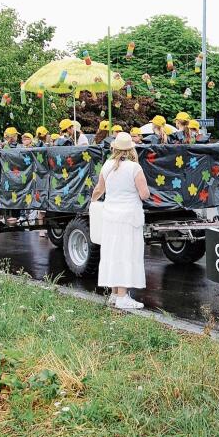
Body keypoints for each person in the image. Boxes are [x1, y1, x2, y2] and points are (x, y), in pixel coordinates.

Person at [91, 132, 150, 310]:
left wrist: (93, 203)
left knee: (113, 253)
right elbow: (144, 194)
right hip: (129, 218)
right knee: (126, 254)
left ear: (114, 148)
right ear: (131, 149)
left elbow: (99, 190)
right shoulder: (134, 168)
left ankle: (115, 295)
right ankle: (123, 297)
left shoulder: (107, 166)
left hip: (110, 217)